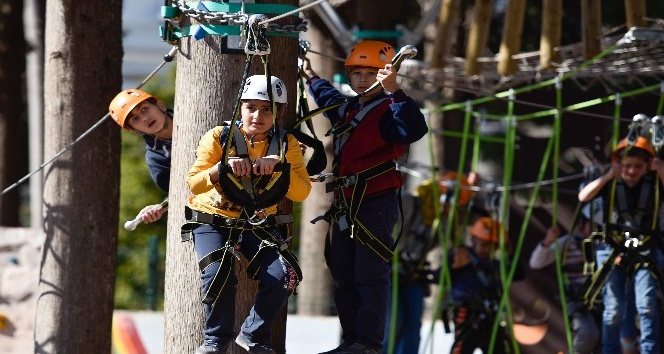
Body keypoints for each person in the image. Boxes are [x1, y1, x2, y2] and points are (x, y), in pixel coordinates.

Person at [300, 40, 428, 354]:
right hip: (346, 203)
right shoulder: (350, 109)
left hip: (375, 202)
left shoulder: (389, 109)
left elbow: (413, 129)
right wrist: (310, 77)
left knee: (369, 274)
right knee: (344, 274)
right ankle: (352, 341)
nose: (361, 79)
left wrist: (396, 90)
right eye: (356, 73)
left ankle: (368, 343)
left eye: (369, 73)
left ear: (384, 74)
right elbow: (329, 98)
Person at [182, 75, 311, 354]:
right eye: (251, 107)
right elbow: (193, 182)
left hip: (257, 224)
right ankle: (214, 340)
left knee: (285, 274)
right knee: (218, 272)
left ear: (278, 113)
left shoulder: (286, 144)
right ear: (240, 107)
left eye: (267, 109)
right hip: (214, 219)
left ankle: (253, 335)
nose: (258, 115)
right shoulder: (219, 136)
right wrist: (223, 168)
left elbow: (302, 193)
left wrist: (279, 168)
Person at [578, 136, 664, 354]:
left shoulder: (654, 183)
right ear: (619, 165)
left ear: (647, 167)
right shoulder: (610, 184)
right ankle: (611, 351)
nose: (631, 171)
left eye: (637, 166)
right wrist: (608, 176)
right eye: (626, 166)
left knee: (646, 305)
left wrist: (661, 170)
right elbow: (583, 197)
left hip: (645, 249)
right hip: (612, 249)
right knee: (614, 309)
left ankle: (649, 351)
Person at [447, 216, 523, 354]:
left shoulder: (495, 266)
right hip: (468, 313)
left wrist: (509, 251)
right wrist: (455, 267)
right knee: (462, 349)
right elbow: (438, 278)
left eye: (491, 246)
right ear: (474, 239)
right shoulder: (460, 256)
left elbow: (518, 274)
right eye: (483, 244)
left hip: (490, 315)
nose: (487, 249)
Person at [529, 212, 599, 354]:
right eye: (592, 225)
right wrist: (548, 241)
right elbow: (535, 263)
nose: (595, 230)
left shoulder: (602, 245)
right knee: (588, 332)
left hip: (601, 302)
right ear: (582, 224)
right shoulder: (568, 243)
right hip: (577, 302)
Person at [109, 89, 172, 224]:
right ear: (134, 130)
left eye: (144, 109)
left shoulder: (196, 110)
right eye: (135, 119)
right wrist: (161, 207)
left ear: (160, 105)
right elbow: (179, 194)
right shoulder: (157, 160)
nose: (144, 118)